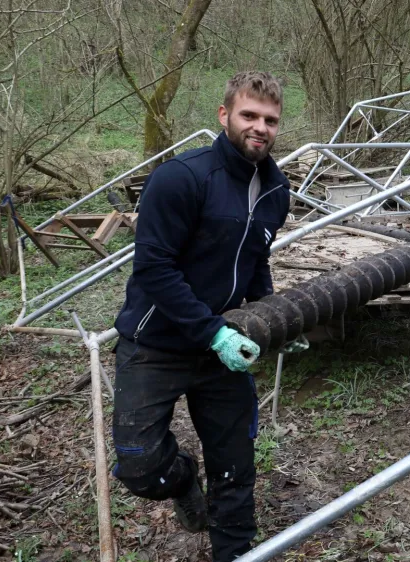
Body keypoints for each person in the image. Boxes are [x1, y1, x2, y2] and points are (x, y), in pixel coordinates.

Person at [111, 71, 290, 560]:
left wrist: (273, 318)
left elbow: (256, 262)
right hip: (156, 344)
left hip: (224, 350)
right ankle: (184, 481)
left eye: (270, 120)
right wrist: (211, 331)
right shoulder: (182, 178)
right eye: (249, 115)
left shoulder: (276, 189)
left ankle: (232, 552)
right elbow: (153, 267)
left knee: (235, 467)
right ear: (224, 115)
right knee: (139, 467)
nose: (260, 127)